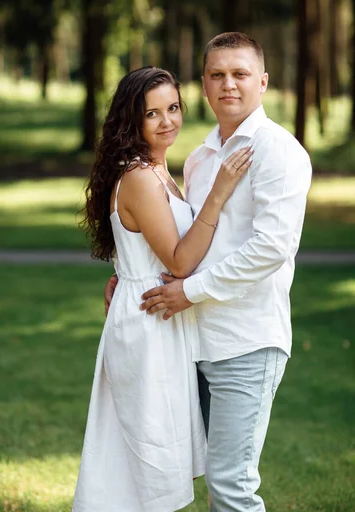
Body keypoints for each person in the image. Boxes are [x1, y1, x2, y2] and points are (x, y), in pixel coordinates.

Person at [107, 32, 312, 511]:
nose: (229, 85)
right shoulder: (199, 159)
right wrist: (129, 273)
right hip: (190, 342)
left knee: (231, 485)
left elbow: (270, 249)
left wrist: (190, 292)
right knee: (187, 476)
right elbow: (183, 238)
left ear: (262, 81)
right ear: (203, 85)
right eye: (217, 75)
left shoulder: (278, 151)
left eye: (240, 74)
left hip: (246, 340)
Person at [72, 66, 252, 512]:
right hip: (148, 328)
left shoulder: (159, 171)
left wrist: (125, 272)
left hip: (160, 320)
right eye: (152, 113)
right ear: (130, 120)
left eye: (173, 108)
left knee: (148, 462)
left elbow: (146, 249)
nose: (167, 121)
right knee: (142, 461)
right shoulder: (138, 176)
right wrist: (218, 193)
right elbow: (178, 259)